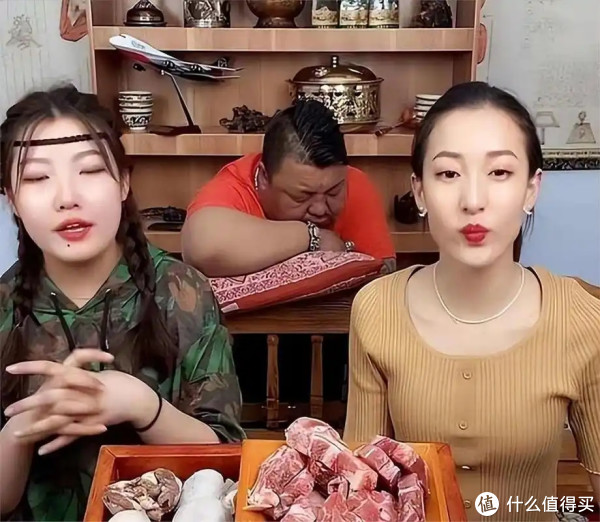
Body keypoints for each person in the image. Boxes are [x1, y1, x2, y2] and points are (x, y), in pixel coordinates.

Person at [343, 81, 600, 520]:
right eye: (448, 174)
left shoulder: (582, 318)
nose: (473, 201)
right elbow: (361, 485)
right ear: (420, 191)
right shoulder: (377, 309)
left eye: (499, 172)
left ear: (532, 188)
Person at [0, 85, 244, 521]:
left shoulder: (182, 291)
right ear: (11, 199)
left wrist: (141, 406)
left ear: (124, 182)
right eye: (37, 178)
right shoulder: (5, 307)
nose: (67, 197)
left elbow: (225, 464)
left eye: (90, 170)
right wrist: (22, 428)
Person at [182, 99, 396, 277]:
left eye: (333, 193)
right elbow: (203, 247)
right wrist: (314, 237)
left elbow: (383, 277)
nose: (320, 209)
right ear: (264, 177)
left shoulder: (351, 182)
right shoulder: (231, 191)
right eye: (302, 196)